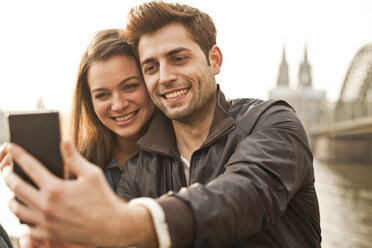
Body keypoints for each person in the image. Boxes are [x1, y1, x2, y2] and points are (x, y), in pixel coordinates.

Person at [1, 1, 321, 247]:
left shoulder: (272, 121)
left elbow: (248, 194)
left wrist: (133, 222)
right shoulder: (140, 169)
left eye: (178, 58)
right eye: (151, 66)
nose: (165, 77)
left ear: (214, 60)